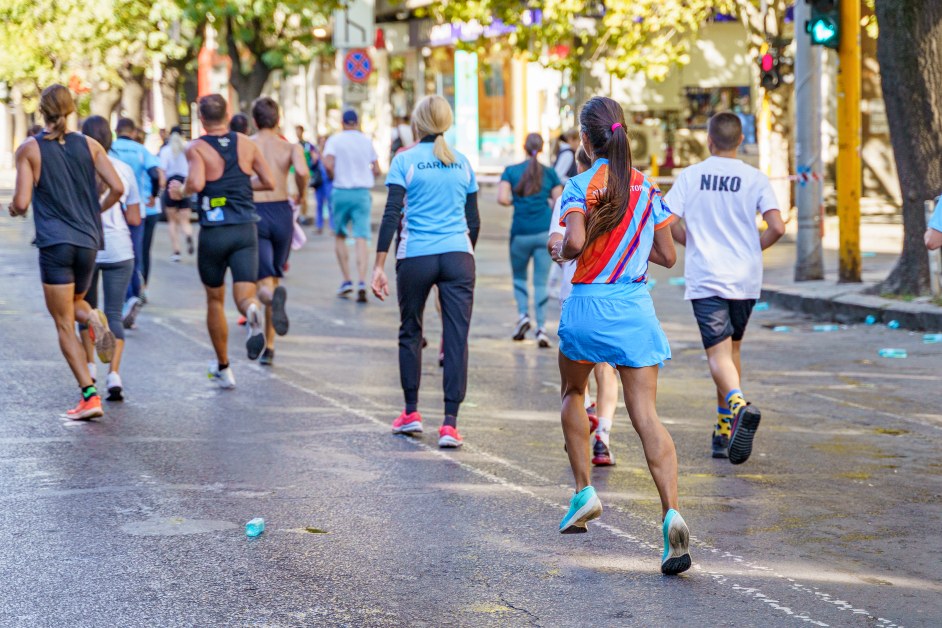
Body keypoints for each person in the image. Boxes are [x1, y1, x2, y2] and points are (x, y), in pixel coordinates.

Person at [553, 96, 690, 575]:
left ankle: (583, 493)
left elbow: (572, 241)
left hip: (588, 305)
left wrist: (560, 248)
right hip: (633, 309)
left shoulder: (577, 185)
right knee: (646, 415)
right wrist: (629, 244)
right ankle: (671, 515)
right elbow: (669, 256)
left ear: (587, 141)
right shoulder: (647, 188)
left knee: (573, 391)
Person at [665, 112, 785, 464]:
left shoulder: (692, 176)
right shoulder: (755, 178)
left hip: (708, 277)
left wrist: (691, 241)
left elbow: (666, 218)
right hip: (746, 278)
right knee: (732, 351)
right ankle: (723, 430)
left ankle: (738, 404)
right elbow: (777, 226)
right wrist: (752, 248)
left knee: (717, 355)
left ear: (709, 139)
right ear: (741, 139)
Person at [7, 84, 124, 419]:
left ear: (41, 111)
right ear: (72, 109)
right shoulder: (90, 145)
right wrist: (95, 213)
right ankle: (93, 317)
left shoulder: (29, 149)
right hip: (89, 241)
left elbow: (22, 201)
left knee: (62, 321)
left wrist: (15, 210)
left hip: (56, 243)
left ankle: (89, 396)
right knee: (75, 305)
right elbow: (117, 188)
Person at [371, 95, 480, 449]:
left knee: (411, 331)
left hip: (416, 255)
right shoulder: (462, 163)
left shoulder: (405, 160)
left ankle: (411, 413)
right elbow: (473, 221)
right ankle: (450, 424)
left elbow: (391, 213)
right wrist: (463, 254)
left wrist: (378, 265)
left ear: (418, 123)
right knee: (456, 337)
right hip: (458, 256)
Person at [167, 94, 275, 388]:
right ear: (227, 115)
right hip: (244, 229)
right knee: (244, 296)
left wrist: (181, 191)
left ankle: (224, 368)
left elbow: (198, 183)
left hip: (215, 231)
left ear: (201, 119)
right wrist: (239, 186)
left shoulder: (197, 147)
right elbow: (268, 181)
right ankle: (252, 311)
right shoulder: (247, 144)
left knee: (215, 299)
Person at [548, 147, 620, 466]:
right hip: (614, 293)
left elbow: (557, 240)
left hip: (575, 292)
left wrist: (560, 251)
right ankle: (603, 439)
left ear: (580, 164)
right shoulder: (621, 194)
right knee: (606, 368)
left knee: (574, 377)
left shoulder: (574, 190)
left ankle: (587, 409)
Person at [79, 116, 142, 401]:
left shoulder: (77, 168)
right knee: (114, 314)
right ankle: (114, 375)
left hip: (86, 247)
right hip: (119, 249)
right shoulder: (125, 170)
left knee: (86, 309)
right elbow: (135, 217)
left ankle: (89, 368)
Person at [250, 97, 309, 366]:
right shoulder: (290, 146)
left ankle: (272, 306)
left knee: (265, 284)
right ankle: (270, 347)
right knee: (274, 277)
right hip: (283, 213)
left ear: (254, 120)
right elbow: (304, 172)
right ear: (278, 119)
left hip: (256, 213)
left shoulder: (247, 145)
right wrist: (302, 195)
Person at [498, 133, 562, 347]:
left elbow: (502, 198)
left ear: (524, 147)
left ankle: (523, 315)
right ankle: (542, 328)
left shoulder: (511, 171)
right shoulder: (550, 173)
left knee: (519, 278)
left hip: (520, 232)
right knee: (541, 282)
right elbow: (559, 202)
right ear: (542, 149)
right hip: (543, 232)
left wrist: (516, 201)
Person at [110, 118, 164, 327]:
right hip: (139, 208)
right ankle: (137, 292)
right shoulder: (141, 150)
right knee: (137, 252)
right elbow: (155, 173)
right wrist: (154, 194)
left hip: (114, 208)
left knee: (118, 253)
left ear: (116, 131)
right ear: (133, 132)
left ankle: (125, 298)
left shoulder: (111, 149)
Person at [324, 109, 379, 302]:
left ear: (342, 122)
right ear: (357, 122)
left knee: (339, 234)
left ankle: (347, 279)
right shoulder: (366, 140)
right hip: (362, 193)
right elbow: (377, 168)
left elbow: (328, 163)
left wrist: (333, 176)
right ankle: (362, 281)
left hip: (341, 191)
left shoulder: (335, 140)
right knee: (362, 236)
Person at [159, 126, 194, 262]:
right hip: (184, 185)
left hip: (171, 185)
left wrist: (162, 187)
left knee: (172, 221)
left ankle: (176, 250)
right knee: (185, 220)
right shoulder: (188, 149)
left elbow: (162, 173)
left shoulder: (165, 151)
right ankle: (188, 233)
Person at [295, 124, 320, 227]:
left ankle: (303, 215)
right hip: (295, 173)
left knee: (303, 195)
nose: (297, 133)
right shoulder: (295, 144)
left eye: (298, 131)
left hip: (305, 172)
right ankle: (298, 215)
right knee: (295, 194)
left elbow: (315, 157)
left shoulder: (307, 145)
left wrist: (310, 167)